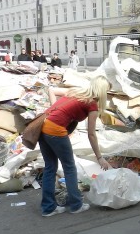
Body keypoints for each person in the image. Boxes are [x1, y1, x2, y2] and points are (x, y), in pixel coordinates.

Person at [38, 76, 112, 217]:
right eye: (107, 92)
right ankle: (76, 205)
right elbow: (91, 134)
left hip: (43, 126)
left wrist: (54, 111)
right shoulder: (92, 105)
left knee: (50, 167)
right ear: (102, 92)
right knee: (69, 167)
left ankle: (48, 208)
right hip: (56, 131)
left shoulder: (76, 92)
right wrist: (100, 157)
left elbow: (51, 90)